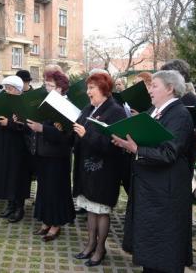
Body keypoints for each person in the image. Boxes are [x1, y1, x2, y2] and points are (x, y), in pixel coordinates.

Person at [113, 70, 195, 273]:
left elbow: (169, 153)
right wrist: (126, 142)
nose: (149, 90)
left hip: (166, 194)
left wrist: (136, 149)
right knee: (150, 244)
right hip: (150, 190)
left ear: (170, 88)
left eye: (154, 86)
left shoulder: (180, 114)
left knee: (164, 248)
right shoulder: (153, 111)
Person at [72, 72, 128, 267]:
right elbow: (77, 129)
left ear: (104, 89)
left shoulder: (116, 111)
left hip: (105, 170)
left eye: (92, 88)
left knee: (101, 210)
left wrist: (86, 135)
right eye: (88, 88)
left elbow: (112, 145)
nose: (88, 92)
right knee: (89, 208)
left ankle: (100, 249)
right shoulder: (89, 108)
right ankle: (89, 245)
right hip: (86, 168)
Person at [25, 70, 75, 242]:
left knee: (56, 190)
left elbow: (67, 136)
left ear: (61, 88)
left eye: (52, 85)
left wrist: (42, 129)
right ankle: (46, 221)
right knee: (44, 189)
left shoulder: (66, 106)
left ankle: (56, 224)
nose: (48, 88)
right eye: (46, 85)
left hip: (57, 157)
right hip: (42, 153)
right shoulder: (45, 102)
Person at [0, 75, 30, 222]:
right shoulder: (2, 100)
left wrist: (10, 124)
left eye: (10, 88)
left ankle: (19, 208)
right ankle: (10, 205)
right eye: (5, 88)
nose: (7, 91)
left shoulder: (24, 103)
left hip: (18, 147)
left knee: (17, 177)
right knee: (6, 174)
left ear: (18, 90)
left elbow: (27, 126)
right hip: (2, 143)